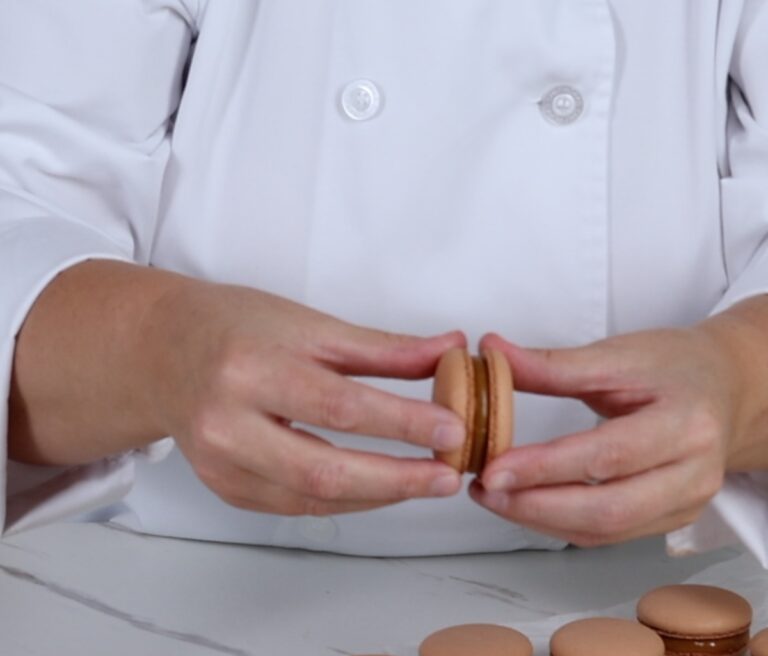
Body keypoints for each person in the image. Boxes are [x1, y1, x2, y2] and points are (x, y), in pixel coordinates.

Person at [2, 1, 768, 562]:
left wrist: (739, 382)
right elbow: (19, 210)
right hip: (180, 584)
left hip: (648, 595)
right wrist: (156, 351)